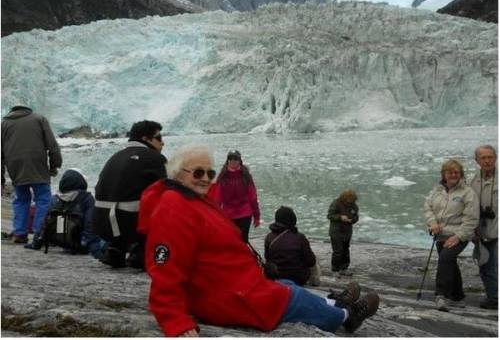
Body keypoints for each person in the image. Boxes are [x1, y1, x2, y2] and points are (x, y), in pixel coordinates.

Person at [139, 144, 379, 337]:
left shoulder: (193, 200)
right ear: (177, 173)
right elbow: (165, 270)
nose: (205, 179)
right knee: (292, 298)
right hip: (226, 297)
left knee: (287, 284)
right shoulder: (174, 208)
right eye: (198, 172)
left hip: (234, 285)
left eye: (210, 173)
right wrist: (174, 319)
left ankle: (334, 302)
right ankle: (346, 316)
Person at [93, 120, 166, 269]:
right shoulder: (155, 158)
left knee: (127, 200)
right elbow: (166, 190)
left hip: (100, 221)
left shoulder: (115, 156)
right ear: (145, 139)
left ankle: (116, 248)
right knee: (168, 201)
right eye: (159, 138)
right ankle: (142, 251)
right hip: (129, 225)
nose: (162, 143)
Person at [1, 105, 62, 247]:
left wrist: (1, 178)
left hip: (15, 167)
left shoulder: (3, 124)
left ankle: (20, 233)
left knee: (21, 199)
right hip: (37, 165)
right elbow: (53, 146)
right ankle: (38, 233)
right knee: (43, 199)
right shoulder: (39, 119)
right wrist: (54, 166)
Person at [424, 159, 479, 312]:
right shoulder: (437, 190)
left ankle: (441, 294)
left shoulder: (468, 193)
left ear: (461, 174)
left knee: (446, 258)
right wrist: (432, 223)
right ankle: (458, 297)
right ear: (444, 174)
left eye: (457, 172)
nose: (454, 175)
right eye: (450, 172)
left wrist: (458, 237)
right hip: (440, 233)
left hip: (458, 234)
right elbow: (428, 207)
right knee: (450, 262)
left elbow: (471, 219)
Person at [30, 168, 106, 257]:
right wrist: (85, 243)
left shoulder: (55, 198)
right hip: (80, 243)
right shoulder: (86, 198)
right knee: (107, 240)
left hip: (61, 241)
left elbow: (44, 223)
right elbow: (91, 223)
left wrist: (36, 242)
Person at [208, 150, 261, 242]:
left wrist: (257, 216)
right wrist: (216, 218)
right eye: (230, 158)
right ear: (227, 161)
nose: (233, 160)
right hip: (229, 215)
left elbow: (253, 197)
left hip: (245, 214)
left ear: (240, 160)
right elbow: (217, 199)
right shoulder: (223, 177)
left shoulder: (246, 176)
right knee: (234, 241)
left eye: (235, 158)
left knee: (242, 241)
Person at [470, 145, 498, 310]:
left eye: (490, 157)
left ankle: (494, 297)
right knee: (486, 264)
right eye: (483, 158)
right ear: (477, 161)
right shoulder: (473, 180)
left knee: (490, 264)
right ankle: (493, 297)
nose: (487, 161)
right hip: (482, 229)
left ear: (496, 158)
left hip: (496, 227)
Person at [264, 205, 319, 286]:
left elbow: (267, 258)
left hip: (277, 276)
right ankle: (314, 284)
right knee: (315, 267)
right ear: (293, 219)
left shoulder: (269, 237)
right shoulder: (299, 237)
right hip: (298, 278)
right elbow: (311, 261)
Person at [327, 190, 359, 276]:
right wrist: (340, 217)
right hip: (336, 231)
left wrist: (352, 220)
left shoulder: (354, 206)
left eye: (352, 200)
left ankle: (344, 268)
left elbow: (356, 217)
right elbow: (330, 215)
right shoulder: (336, 203)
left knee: (345, 251)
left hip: (347, 232)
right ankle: (335, 269)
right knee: (337, 251)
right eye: (349, 199)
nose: (350, 201)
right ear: (345, 198)